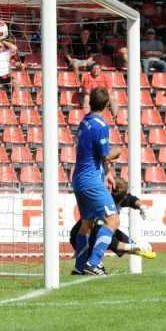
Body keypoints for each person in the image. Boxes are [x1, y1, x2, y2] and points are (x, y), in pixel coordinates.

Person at [72, 88, 122, 276]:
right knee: (113, 219)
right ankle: (94, 263)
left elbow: (94, 155)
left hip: (79, 178)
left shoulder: (84, 121)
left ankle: (79, 266)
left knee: (87, 223)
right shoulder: (102, 125)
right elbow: (106, 155)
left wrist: (107, 173)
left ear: (90, 102)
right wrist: (118, 151)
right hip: (91, 180)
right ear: (107, 104)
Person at [69, 177, 156, 260]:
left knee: (123, 239)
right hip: (80, 238)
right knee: (100, 245)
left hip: (91, 232)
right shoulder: (101, 213)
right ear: (123, 197)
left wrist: (143, 207)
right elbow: (110, 241)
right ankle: (88, 260)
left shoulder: (114, 197)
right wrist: (133, 247)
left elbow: (132, 200)